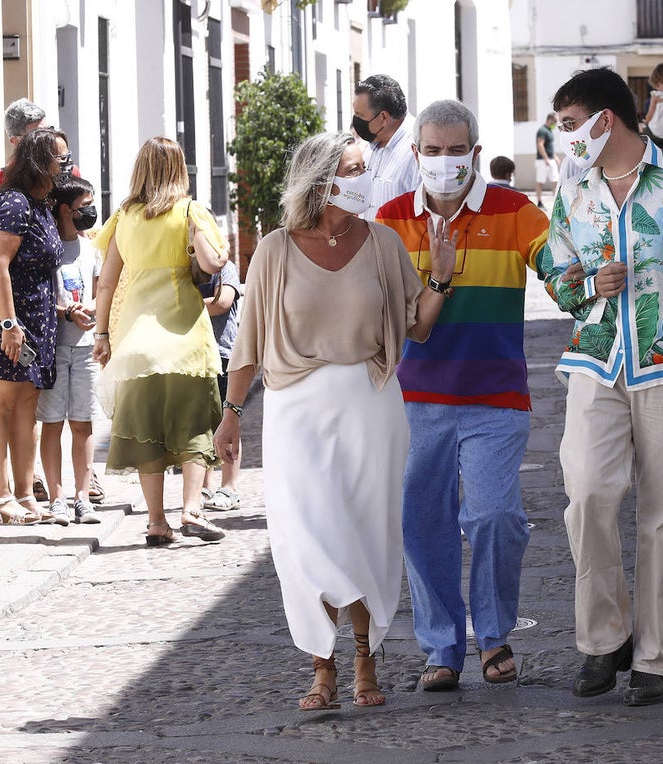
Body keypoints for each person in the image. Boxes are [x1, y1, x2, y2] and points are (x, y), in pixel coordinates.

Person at [214, 132, 453, 710]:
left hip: (370, 404)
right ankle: (322, 666)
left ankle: (365, 661)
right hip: (296, 410)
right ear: (321, 179)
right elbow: (248, 344)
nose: (366, 176)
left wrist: (442, 277)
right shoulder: (273, 248)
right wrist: (230, 416)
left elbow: (416, 326)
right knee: (305, 537)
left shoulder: (383, 243)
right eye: (354, 168)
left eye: (366, 167)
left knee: (366, 532)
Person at [539, 68, 663, 706]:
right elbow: (555, 266)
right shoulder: (575, 193)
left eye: (570, 126)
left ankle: (654, 659)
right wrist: (583, 286)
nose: (564, 139)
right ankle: (605, 637)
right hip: (595, 360)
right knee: (588, 495)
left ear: (607, 120)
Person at [375, 100, 549, 692]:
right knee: (423, 522)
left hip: (496, 396)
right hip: (414, 399)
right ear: (417, 153)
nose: (444, 161)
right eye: (433, 150)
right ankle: (441, 646)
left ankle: (494, 634)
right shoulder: (391, 220)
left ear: (476, 154)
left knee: (495, 515)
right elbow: (385, 311)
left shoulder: (515, 209)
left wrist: (575, 274)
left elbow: (553, 258)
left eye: (456, 151)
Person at [91, 137, 228, 548]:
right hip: (186, 338)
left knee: (146, 432)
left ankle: (155, 522)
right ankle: (191, 510)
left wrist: (101, 334)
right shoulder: (190, 211)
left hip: (136, 344)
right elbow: (212, 264)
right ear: (179, 170)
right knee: (194, 428)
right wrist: (195, 233)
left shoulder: (124, 218)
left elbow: (107, 284)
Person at [0, 127, 68, 525]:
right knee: (1, 403)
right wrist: (9, 324)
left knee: (27, 406)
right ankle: (0, 498)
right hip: (1, 318)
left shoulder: (42, 204)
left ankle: (25, 497)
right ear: (40, 161)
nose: (66, 164)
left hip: (35, 319)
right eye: (61, 158)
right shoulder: (12, 203)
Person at [36, 175, 103, 525]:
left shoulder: (90, 249)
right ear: (66, 209)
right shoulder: (48, 249)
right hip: (55, 348)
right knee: (52, 422)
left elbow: (98, 291)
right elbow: (40, 296)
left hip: (85, 349)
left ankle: (82, 496)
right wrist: (65, 311)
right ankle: (56, 497)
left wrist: (90, 313)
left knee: (82, 424)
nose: (90, 212)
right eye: (85, 207)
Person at [199, 259, 243, 511]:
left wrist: (182, 303)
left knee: (228, 420)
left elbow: (222, 302)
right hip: (194, 355)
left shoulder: (226, 268)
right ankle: (205, 484)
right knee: (200, 423)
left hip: (223, 353)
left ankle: (230, 486)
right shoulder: (188, 268)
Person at [352, 74, 421, 220]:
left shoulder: (420, 149)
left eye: (359, 115)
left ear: (383, 117)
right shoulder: (371, 144)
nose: (356, 121)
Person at [536, 112, 561, 207]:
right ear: (549, 120)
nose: (555, 123)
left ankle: (556, 200)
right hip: (542, 160)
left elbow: (549, 146)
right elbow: (540, 144)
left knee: (555, 180)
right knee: (540, 181)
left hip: (551, 159)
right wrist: (546, 158)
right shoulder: (542, 130)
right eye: (555, 121)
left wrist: (554, 156)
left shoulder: (550, 130)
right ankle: (539, 201)